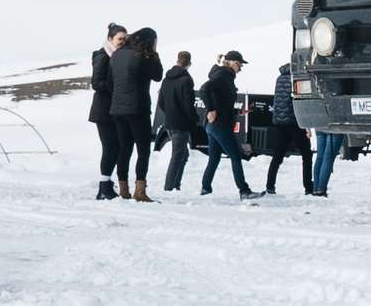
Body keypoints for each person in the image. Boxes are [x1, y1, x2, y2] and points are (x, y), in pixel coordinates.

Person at [108, 27, 162, 202]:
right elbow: (158, 75)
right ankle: (140, 191)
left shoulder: (116, 54)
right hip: (138, 109)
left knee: (124, 149)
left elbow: (111, 81)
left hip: (117, 109)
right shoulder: (143, 56)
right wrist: (155, 55)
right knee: (143, 149)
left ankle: (123, 189)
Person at [198, 51, 259, 199]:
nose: (240, 68)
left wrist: (240, 111)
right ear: (230, 62)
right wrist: (210, 109)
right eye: (239, 64)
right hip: (219, 125)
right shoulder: (223, 75)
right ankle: (244, 191)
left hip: (213, 126)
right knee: (236, 156)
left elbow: (223, 103)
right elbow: (203, 89)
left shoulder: (225, 76)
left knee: (214, 158)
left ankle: (205, 188)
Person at [90, 24, 126, 200]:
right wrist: (116, 86)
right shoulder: (102, 56)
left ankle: (107, 185)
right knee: (110, 147)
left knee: (117, 147)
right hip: (103, 110)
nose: (122, 42)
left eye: (125, 39)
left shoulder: (118, 56)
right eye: (120, 39)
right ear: (110, 39)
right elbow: (96, 83)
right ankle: (104, 187)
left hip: (115, 109)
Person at [266, 63, 313, 196]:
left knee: (277, 156)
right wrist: (307, 125)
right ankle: (308, 187)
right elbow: (300, 101)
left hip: (280, 123)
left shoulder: (280, 78)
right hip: (294, 122)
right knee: (306, 155)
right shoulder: (296, 79)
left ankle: (270, 186)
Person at [155, 50, 198, 192]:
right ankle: (169, 187)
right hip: (181, 123)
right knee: (178, 156)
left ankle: (175, 185)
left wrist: (170, 112)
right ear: (189, 63)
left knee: (182, 154)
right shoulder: (187, 80)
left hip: (169, 122)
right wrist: (194, 118)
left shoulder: (166, 79)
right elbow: (188, 104)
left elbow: (161, 102)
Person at [312, 129, 345, 198]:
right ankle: (321, 188)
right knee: (328, 158)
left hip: (319, 125)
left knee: (320, 157)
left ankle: (316, 188)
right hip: (334, 127)